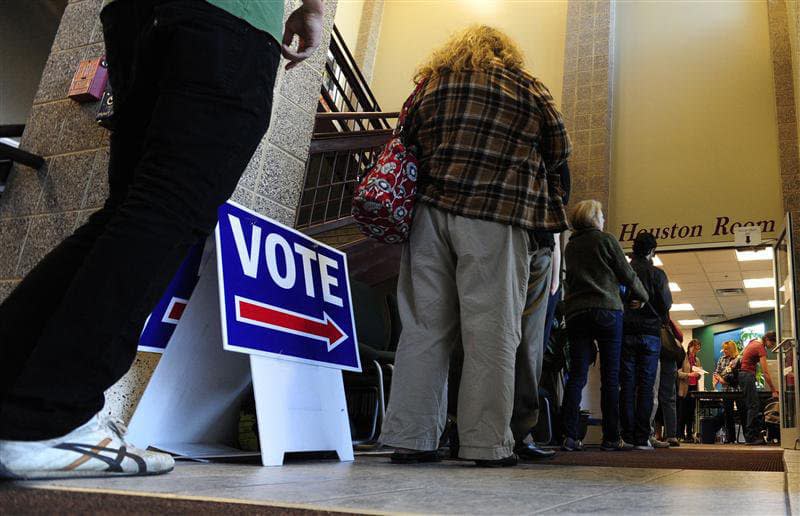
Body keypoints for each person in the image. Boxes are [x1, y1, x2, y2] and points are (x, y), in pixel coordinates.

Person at [0, 0, 324, 479]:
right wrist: (313, 8)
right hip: (227, 19)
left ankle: (16, 397)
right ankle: (47, 417)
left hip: (138, 16)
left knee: (132, 210)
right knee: (170, 209)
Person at [379, 25, 570, 468]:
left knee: (424, 329)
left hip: (429, 216)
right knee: (491, 333)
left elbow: (406, 140)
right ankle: (485, 444)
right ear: (507, 52)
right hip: (496, 216)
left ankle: (412, 438)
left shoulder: (433, 85)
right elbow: (560, 147)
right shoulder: (526, 87)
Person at [561, 200, 648, 452]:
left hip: (577, 312)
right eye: (601, 215)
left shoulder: (571, 246)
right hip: (607, 311)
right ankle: (611, 438)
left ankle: (569, 436)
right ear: (594, 218)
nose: (603, 219)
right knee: (610, 377)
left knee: (576, 375)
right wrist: (643, 296)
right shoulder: (606, 240)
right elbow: (626, 273)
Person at [510, 161, 570, 461]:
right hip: (533, 244)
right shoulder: (550, 140)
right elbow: (555, 215)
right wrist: (556, 275)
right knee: (527, 348)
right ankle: (519, 432)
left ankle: (469, 427)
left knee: (480, 336)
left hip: (496, 235)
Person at [620, 233, 672, 450]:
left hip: (626, 332)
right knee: (646, 386)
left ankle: (627, 436)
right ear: (652, 251)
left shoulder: (623, 271)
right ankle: (642, 437)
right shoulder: (657, 274)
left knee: (627, 385)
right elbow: (666, 304)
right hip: (650, 334)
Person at [739, 333, 779, 445]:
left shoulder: (752, 342)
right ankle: (751, 438)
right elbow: (765, 372)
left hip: (744, 375)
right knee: (754, 406)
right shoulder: (760, 347)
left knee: (753, 405)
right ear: (766, 339)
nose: (773, 345)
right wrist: (773, 390)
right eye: (772, 342)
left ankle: (754, 435)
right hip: (747, 375)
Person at [650, 318, 683, 447]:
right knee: (669, 398)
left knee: (651, 395)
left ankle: (649, 434)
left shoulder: (650, 317)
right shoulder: (666, 320)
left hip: (653, 356)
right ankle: (671, 435)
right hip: (669, 359)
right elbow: (679, 336)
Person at [713, 340, 740, 443]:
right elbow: (716, 372)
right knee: (728, 414)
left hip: (737, 390)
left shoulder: (737, 359)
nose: (724, 351)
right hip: (725, 390)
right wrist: (721, 380)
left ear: (731, 349)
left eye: (726, 349)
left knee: (741, 413)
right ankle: (730, 438)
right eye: (723, 348)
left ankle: (747, 437)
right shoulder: (721, 359)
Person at [677, 339, 703, 442]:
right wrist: (689, 374)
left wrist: (698, 375)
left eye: (698, 349)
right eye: (695, 348)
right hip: (684, 389)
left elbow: (698, 376)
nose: (696, 351)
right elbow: (678, 373)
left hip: (693, 388)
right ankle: (680, 435)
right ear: (690, 346)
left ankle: (689, 434)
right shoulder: (683, 358)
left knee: (691, 414)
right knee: (682, 413)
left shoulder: (697, 360)